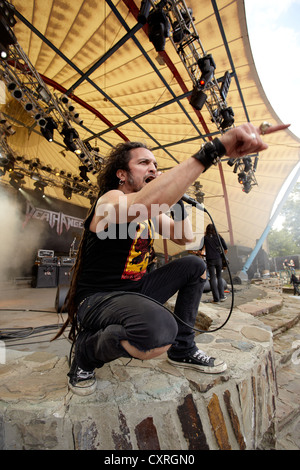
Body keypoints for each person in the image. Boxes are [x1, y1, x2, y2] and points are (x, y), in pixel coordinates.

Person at [54, 122, 289, 395]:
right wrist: (214, 150)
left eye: (155, 163)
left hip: (135, 292)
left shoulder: (151, 211)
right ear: (122, 174)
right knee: (157, 332)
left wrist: (176, 198)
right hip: (97, 299)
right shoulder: (110, 200)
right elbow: (144, 203)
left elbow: (184, 236)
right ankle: (86, 352)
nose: (153, 167)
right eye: (143, 163)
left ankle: (184, 348)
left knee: (194, 265)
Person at [200, 224, 228, 303]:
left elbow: (200, 250)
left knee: (212, 278)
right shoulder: (219, 237)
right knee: (219, 277)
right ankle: (222, 296)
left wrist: (200, 253)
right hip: (218, 259)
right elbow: (226, 249)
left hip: (210, 260)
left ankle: (216, 299)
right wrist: (222, 256)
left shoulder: (205, 238)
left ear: (207, 230)